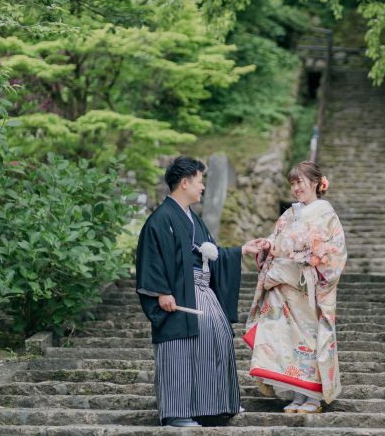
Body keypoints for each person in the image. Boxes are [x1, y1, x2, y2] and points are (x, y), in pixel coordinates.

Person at [136, 156, 263, 427]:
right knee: (180, 349)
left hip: (203, 291)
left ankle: (215, 405)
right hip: (178, 293)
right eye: (200, 181)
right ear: (184, 183)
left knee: (218, 335)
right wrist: (161, 292)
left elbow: (212, 254)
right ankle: (177, 412)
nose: (203, 187)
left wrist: (242, 250)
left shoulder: (195, 220)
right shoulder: (161, 219)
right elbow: (151, 256)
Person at [243, 162, 347, 414]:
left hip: (307, 288)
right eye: (292, 183)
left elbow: (337, 252)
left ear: (315, 182)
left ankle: (313, 397)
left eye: (300, 181)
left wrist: (313, 259)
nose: (296, 187)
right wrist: (268, 245)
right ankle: (298, 395)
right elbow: (277, 239)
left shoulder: (326, 214)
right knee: (287, 343)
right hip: (282, 288)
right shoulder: (289, 214)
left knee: (309, 342)